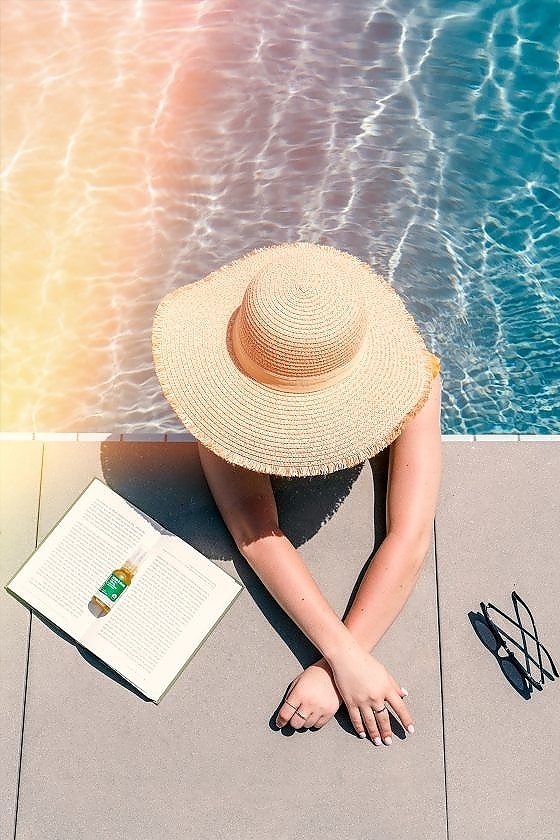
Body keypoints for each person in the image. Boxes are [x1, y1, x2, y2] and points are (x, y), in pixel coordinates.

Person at [152, 242, 442, 746]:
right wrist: (346, 659)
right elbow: (251, 524)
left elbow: (411, 535)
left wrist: (337, 668)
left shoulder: (417, 381)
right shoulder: (221, 388)